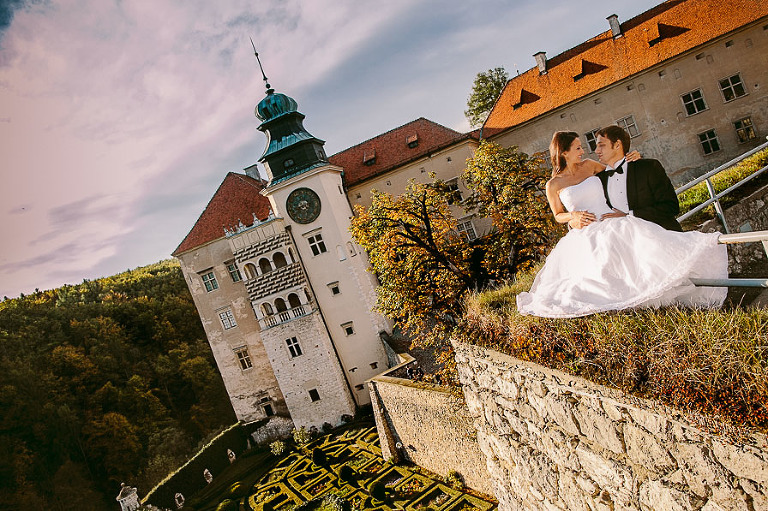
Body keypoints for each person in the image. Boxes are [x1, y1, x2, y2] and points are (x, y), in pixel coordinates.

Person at [516, 130, 728, 318]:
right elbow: (557, 215)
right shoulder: (553, 185)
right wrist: (573, 216)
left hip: (612, 221)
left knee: (641, 264)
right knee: (600, 277)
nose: (583, 150)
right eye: (578, 147)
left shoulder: (590, 166)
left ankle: (655, 305)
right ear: (564, 152)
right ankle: (622, 310)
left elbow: (617, 169)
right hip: (585, 231)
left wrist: (633, 157)